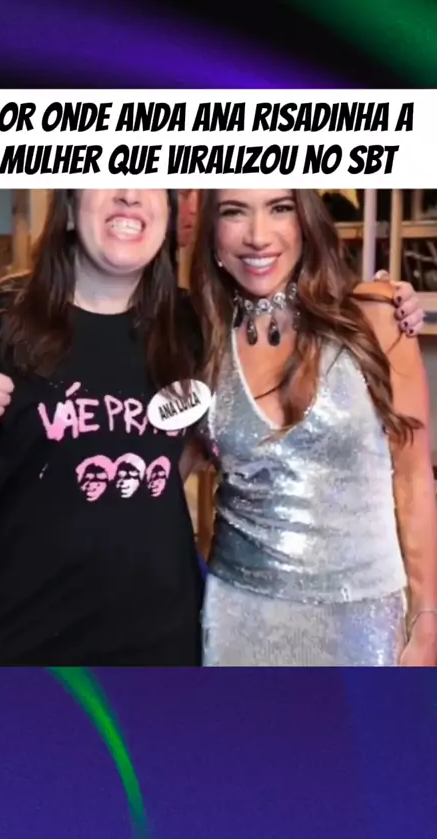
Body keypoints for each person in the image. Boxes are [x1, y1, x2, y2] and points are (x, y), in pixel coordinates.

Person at [187, 188, 436, 667]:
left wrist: (427, 617)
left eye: (279, 208)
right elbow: (158, 478)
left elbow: (413, 477)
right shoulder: (200, 337)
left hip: (365, 621)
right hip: (237, 618)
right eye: (234, 212)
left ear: (305, 219)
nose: (258, 236)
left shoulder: (377, 318)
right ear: (211, 234)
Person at [0, 189, 203, 666]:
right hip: (12, 643)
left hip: (157, 643)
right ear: (69, 211)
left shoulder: (193, 326)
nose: (129, 193)